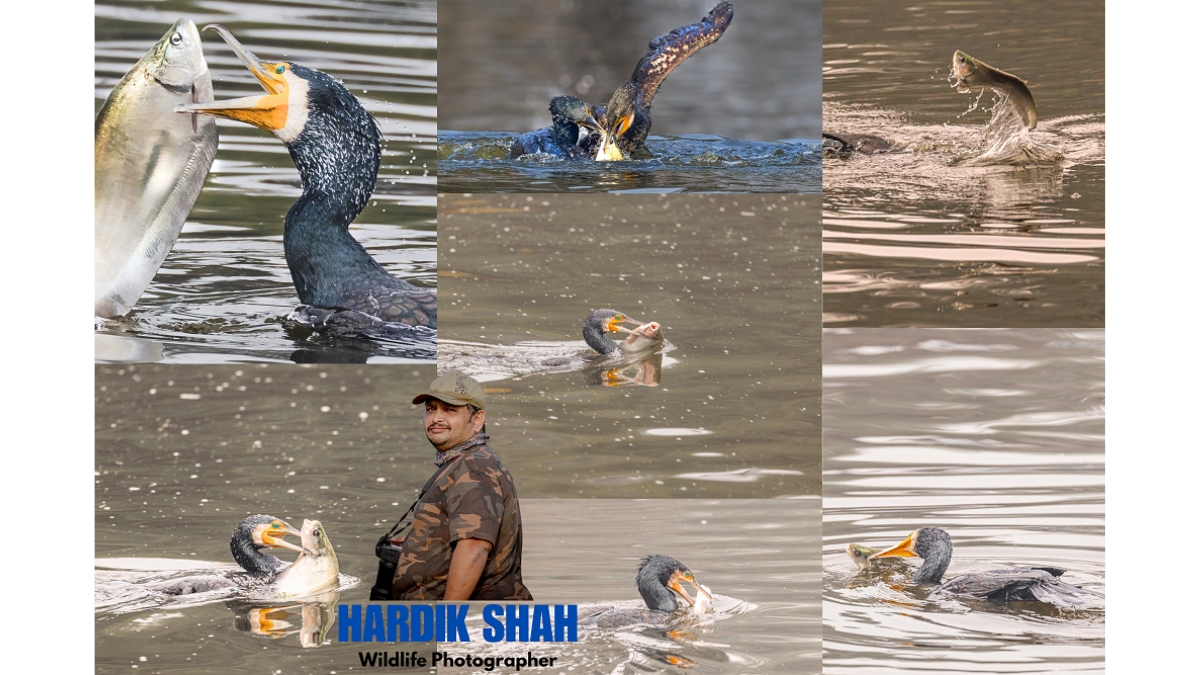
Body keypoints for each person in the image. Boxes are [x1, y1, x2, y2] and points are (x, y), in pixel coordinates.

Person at [391, 370, 532, 600]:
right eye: (431, 408)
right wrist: (424, 539)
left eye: (449, 409)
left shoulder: (473, 469)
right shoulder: (467, 461)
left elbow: (474, 549)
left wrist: (449, 621)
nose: (436, 417)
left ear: (477, 420)